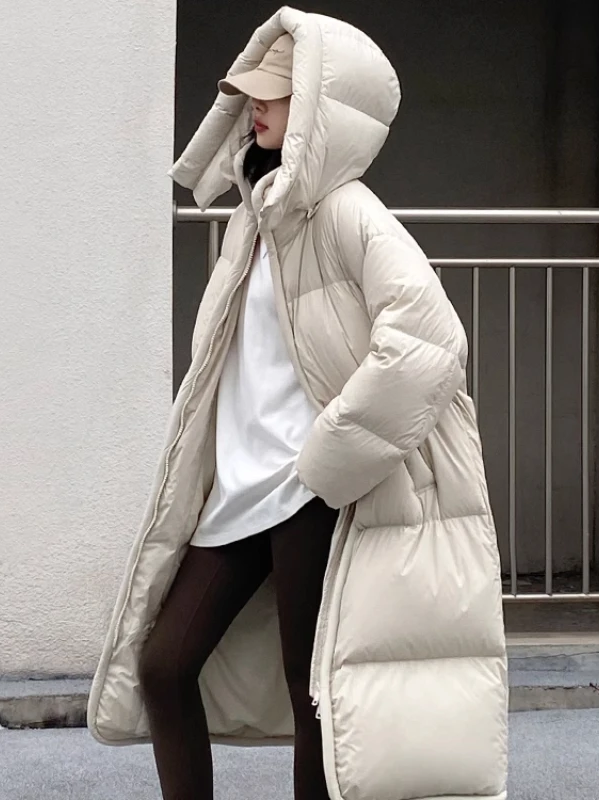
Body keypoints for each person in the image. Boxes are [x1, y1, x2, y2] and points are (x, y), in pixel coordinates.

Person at [87, 8, 508, 800]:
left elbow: (432, 342)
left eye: (276, 97)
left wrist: (330, 459)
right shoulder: (256, 214)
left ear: (318, 107)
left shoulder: (350, 212)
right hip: (242, 488)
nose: (258, 108)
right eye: (253, 94)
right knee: (164, 663)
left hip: (309, 489)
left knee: (316, 690)